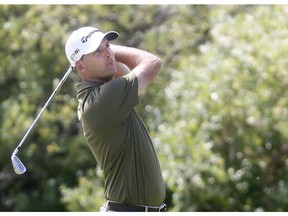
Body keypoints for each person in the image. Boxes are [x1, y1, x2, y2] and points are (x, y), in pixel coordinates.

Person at [65, 26, 166, 212]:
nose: (107, 54)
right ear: (80, 66)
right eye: (97, 52)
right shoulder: (104, 100)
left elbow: (123, 71)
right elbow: (152, 62)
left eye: (108, 45)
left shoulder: (99, 93)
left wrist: (102, 51)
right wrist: (111, 50)